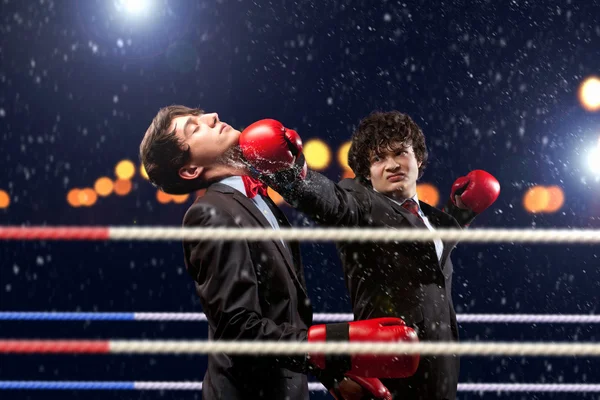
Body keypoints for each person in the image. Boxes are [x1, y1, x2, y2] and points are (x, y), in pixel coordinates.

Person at [138, 105, 421, 400]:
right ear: (190, 170)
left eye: (202, 116)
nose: (212, 118)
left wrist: (333, 374)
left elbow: (281, 314)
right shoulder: (210, 213)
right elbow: (238, 328)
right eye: (194, 128)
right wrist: (336, 348)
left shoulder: (259, 202)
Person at [239, 112, 501, 400]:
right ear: (366, 171)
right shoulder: (359, 203)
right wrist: (290, 173)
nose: (391, 165)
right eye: (378, 159)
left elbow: (432, 244)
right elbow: (329, 201)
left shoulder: (429, 217)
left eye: (400, 152)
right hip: (390, 375)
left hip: (443, 375)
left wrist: (463, 209)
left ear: (419, 160)